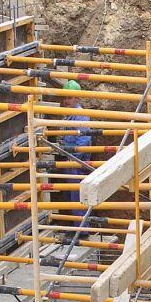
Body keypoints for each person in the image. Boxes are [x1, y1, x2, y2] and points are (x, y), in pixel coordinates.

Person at [60, 79, 92, 216]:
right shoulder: (70, 115)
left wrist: (74, 158)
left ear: (77, 98)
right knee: (72, 195)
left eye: (70, 98)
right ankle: (76, 227)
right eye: (65, 98)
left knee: (78, 195)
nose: (66, 101)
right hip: (71, 159)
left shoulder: (80, 115)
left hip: (77, 162)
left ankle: (81, 229)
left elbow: (84, 139)